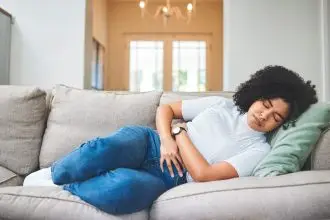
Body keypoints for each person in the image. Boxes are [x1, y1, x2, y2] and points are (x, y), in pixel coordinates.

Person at [23, 65, 317, 215]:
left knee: (124, 190)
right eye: (265, 104)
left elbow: (203, 174)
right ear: (257, 95)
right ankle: (55, 174)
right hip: (152, 142)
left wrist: (181, 133)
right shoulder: (222, 105)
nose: (265, 116)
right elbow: (166, 109)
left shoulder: (258, 150)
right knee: (113, 145)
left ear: (282, 123)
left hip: (174, 177)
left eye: (276, 117)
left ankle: (69, 187)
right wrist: (167, 137)